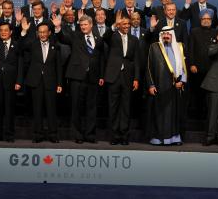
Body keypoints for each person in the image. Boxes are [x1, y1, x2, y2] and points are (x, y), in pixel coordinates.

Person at [53, 14, 105, 144]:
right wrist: (58, 27)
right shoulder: (75, 36)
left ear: (91, 25)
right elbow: (63, 38)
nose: (83, 27)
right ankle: (78, 135)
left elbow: (101, 59)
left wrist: (101, 75)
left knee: (91, 107)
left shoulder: (98, 38)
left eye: (85, 24)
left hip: (93, 77)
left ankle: (90, 135)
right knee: (76, 107)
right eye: (81, 25)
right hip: (77, 77)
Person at [21, 21, 62, 143]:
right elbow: (21, 46)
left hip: (51, 81)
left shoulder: (56, 46)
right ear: (37, 33)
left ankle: (53, 135)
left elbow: (59, 66)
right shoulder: (32, 44)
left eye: (45, 32)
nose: (43, 34)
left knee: (51, 109)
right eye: (40, 32)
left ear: (49, 33)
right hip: (35, 81)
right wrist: (23, 31)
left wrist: (59, 83)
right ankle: (37, 134)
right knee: (37, 109)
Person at [146, 26, 187, 146]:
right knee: (160, 113)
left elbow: (184, 66)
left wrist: (182, 81)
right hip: (159, 86)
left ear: (172, 35)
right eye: (164, 34)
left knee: (174, 113)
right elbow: (148, 68)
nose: (166, 36)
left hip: (175, 86)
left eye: (168, 34)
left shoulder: (179, 47)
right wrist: (151, 85)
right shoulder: (154, 47)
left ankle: (174, 138)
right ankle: (159, 138)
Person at [103, 11, 140, 145]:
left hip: (128, 77)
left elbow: (136, 60)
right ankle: (114, 136)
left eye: (128, 24)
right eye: (123, 24)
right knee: (113, 107)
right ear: (119, 25)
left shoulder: (134, 40)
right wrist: (114, 25)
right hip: (113, 76)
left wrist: (136, 79)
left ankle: (124, 135)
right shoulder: (112, 36)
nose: (126, 26)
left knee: (125, 107)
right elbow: (104, 38)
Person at [187, 9, 217, 120]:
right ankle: (196, 116)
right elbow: (190, 49)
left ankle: (208, 116)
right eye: (203, 19)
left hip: (211, 69)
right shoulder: (194, 31)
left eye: (208, 19)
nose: (206, 21)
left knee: (209, 95)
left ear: (211, 20)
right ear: (200, 20)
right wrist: (192, 64)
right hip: (197, 68)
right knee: (197, 94)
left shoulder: (215, 32)